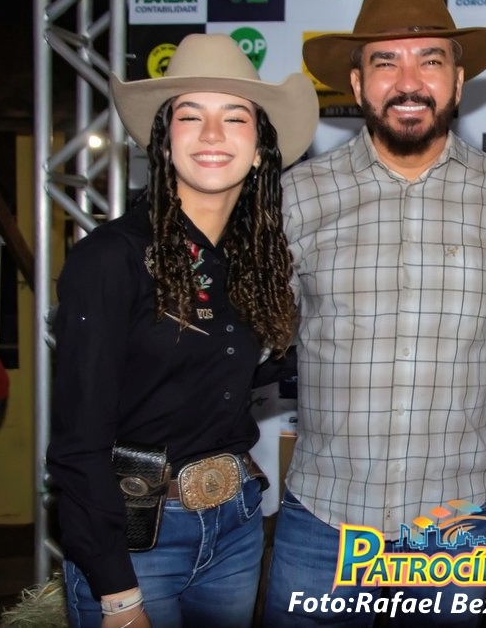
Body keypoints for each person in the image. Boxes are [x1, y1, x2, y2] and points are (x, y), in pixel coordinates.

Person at [260, 0, 486, 627]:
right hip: (325, 520)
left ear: (458, 80)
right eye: (385, 62)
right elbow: (253, 334)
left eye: (429, 61)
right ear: (356, 83)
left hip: (458, 520)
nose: (408, 82)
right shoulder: (299, 196)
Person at [47, 33, 318, 628]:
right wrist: (118, 595)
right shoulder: (110, 259)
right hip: (135, 540)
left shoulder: (257, 263)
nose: (213, 134)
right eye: (190, 116)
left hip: (237, 526)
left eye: (235, 117)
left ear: (260, 148)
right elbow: (77, 446)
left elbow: (242, 369)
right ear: (164, 142)